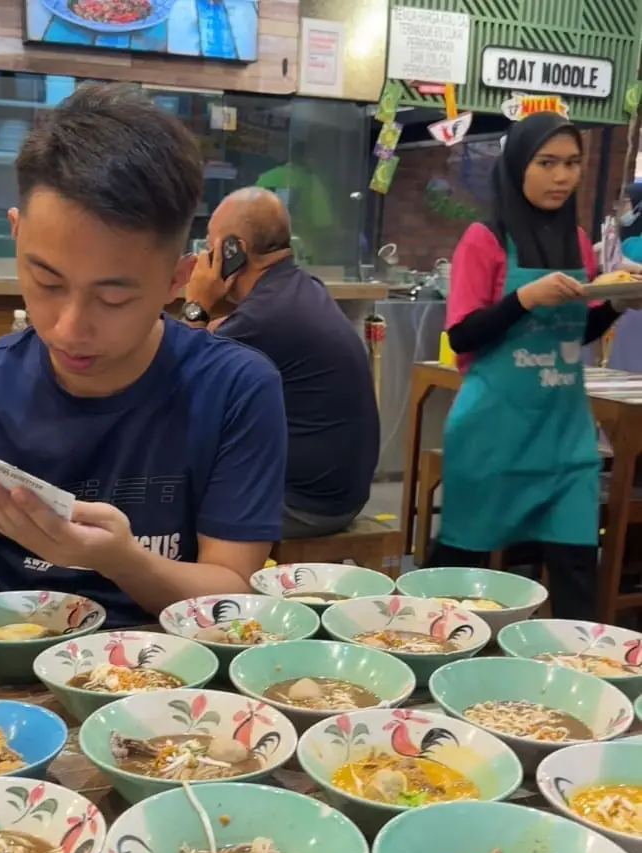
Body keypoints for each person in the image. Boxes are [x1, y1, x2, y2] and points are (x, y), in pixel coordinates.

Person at [0, 85, 287, 630]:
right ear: (16, 235)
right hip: (23, 673)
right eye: (46, 281)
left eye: (115, 297)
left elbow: (232, 598)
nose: (69, 327)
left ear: (178, 278)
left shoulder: (236, 387)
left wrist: (116, 558)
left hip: (180, 675)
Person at [428, 113, 632, 620]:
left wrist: (617, 302)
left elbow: (575, 333)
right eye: (547, 163)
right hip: (493, 437)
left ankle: (580, 678)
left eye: (572, 164)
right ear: (519, 165)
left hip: (565, 441)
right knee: (458, 572)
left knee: (577, 568)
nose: (562, 176)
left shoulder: (579, 243)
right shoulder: (485, 239)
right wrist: (523, 298)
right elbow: (462, 335)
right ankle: (424, 658)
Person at [183, 187, 379, 539]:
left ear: (233, 251)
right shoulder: (299, 289)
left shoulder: (264, 317)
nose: (204, 258)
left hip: (305, 506)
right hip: (340, 493)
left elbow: (184, 381)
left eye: (209, 246)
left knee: (170, 492)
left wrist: (196, 303)